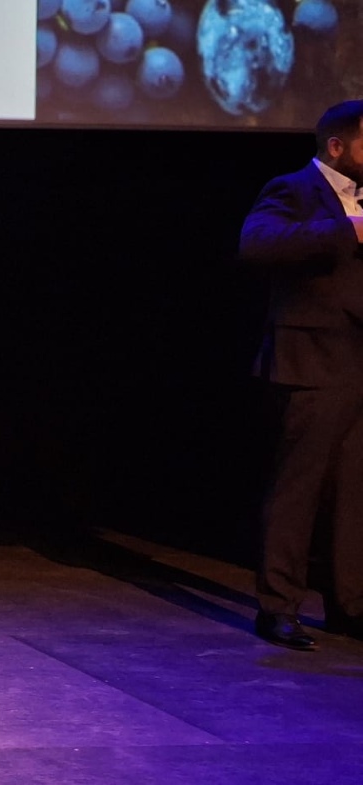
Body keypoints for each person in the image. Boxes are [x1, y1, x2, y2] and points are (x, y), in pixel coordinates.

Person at [239, 99, 363, 651]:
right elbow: (257, 244)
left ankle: (349, 606)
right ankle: (278, 608)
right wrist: (346, 228)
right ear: (337, 146)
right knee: (299, 491)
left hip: (357, 363)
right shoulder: (292, 188)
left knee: (355, 494)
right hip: (311, 363)